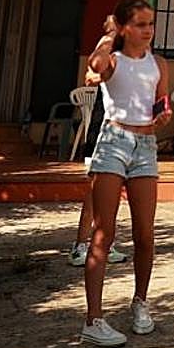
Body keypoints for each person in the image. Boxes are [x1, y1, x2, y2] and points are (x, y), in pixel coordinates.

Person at [80, 0, 172, 347]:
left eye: (151, 23)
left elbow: (162, 101)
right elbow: (96, 63)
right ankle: (93, 319)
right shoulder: (113, 61)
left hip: (146, 147)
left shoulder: (158, 63)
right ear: (125, 27)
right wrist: (109, 35)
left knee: (145, 234)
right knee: (104, 234)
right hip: (113, 142)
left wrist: (163, 115)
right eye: (141, 24)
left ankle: (141, 302)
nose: (148, 30)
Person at [68, 67, 127, 267]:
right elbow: (90, 76)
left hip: (125, 137)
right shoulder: (111, 54)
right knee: (94, 193)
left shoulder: (142, 60)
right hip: (101, 135)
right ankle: (79, 246)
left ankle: (106, 244)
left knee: (114, 194)